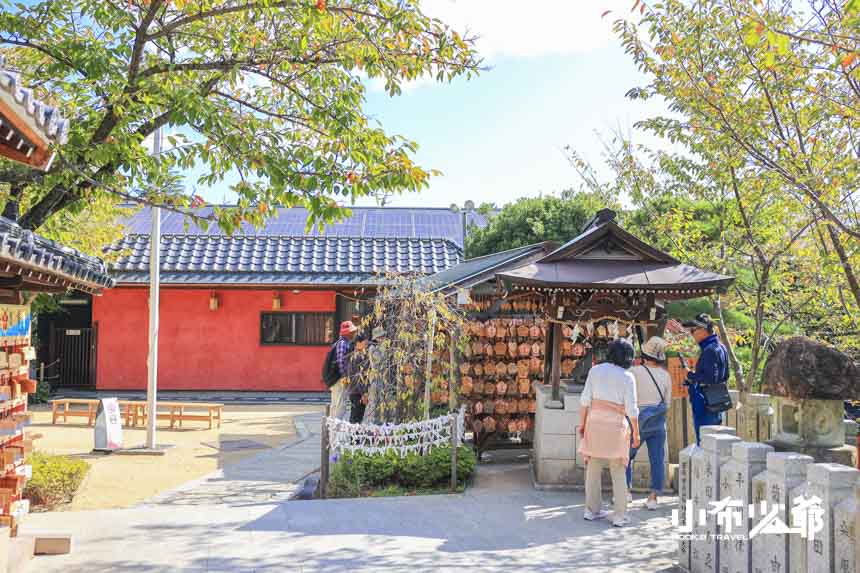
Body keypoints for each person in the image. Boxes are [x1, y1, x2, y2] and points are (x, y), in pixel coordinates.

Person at [578, 338, 640, 527]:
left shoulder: (595, 371)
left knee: (593, 467)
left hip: (594, 423)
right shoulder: (627, 377)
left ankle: (591, 510)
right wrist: (636, 434)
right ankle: (620, 515)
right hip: (616, 427)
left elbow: (584, 401)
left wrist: (582, 425)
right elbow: (632, 410)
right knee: (618, 469)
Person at [626, 336, 672, 510]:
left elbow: (627, 397)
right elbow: (667, 403)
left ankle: (626, 492)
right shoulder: (666, 375)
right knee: (657, 459)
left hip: (637, 420)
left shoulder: (633, 372)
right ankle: (653, 497)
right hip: (658, 422)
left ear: (644, 354)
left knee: (627, 456)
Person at [680, 313, 729, 445]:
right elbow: (723, 376)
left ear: (702, 330)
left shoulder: (709, 350)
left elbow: (710, 378)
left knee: (705, 446)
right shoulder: (720, 347)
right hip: (717, 401)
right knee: (715, 446)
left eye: (693, 330)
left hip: (706, 405)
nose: (691, 334)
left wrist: (690, 375)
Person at [329, 321, 358, 419]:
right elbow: (341, 362)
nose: (354, 334)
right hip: (339, 379)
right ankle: (336, 429)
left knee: (335, 405)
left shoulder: (343, 343)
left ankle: (332, 429)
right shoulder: (343, 343)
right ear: (348, 333)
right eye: (352, 332)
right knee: (340, 405)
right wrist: (345, 377)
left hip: (336, 379)